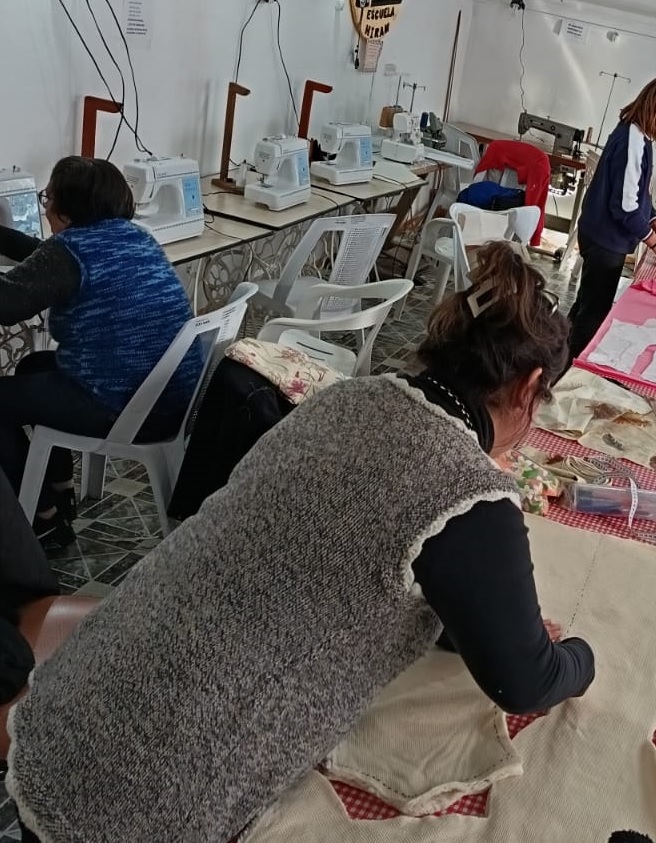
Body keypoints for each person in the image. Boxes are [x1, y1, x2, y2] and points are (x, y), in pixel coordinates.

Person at [6, 241, 596, 843]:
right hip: (146, 790)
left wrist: (485, 624)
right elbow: (525, 682)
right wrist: (581, 657)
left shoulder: (348, 397)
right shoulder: (468, 492)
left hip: (68, 707)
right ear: (528, 386)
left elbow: (378, 558)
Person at [0, 156, 201, 547]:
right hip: (169, 400)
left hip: (122, 406)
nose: (46, 208)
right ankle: (58, 489)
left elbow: (8, 304)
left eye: (48, 198)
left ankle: (42, 519)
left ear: (67, 209)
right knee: (33, 366)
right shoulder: (136, 237)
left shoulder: (70, 251)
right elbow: (44, 257)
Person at [568, 75, 656, 360]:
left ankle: (563, 351)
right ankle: (571, 366)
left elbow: (641, 193)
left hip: (603, 235)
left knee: (587, 302)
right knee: (594, 312)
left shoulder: (640, 137)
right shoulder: (632, 140)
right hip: (604, 239)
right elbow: (625, 207)